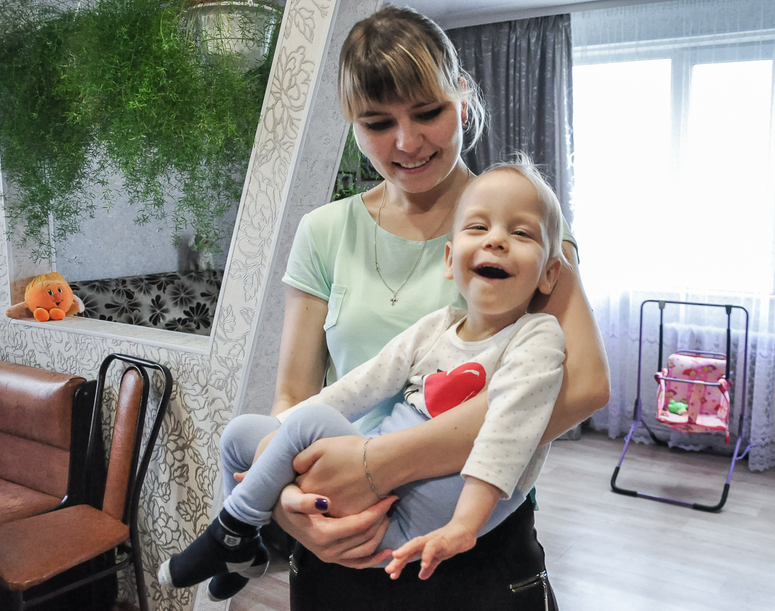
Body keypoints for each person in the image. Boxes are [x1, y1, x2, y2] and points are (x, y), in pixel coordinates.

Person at [254, 5, 609, 610]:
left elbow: (581, 387)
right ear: (351, 122)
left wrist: (375, 465)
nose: (407, 142)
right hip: (337, 542)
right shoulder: (322, 232)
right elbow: (293, 394)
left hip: (474, 540)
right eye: (377, 122)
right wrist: (289, 505)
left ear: (462, 98)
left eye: (427, 113)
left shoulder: (522, 221)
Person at [157, 158, 568, 599]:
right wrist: (278, 449)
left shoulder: (538, 335)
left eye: (521, 233)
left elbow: (509, 432)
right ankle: (246, 546)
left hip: (442, 511)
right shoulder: (438, 326)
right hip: (375, 494)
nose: (496, 240)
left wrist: (464, 526)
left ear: (549, 273)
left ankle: (230, 529)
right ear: (450, 261)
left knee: (306, 424)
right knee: (240, 435)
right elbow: (357, 388)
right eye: (478, 227)